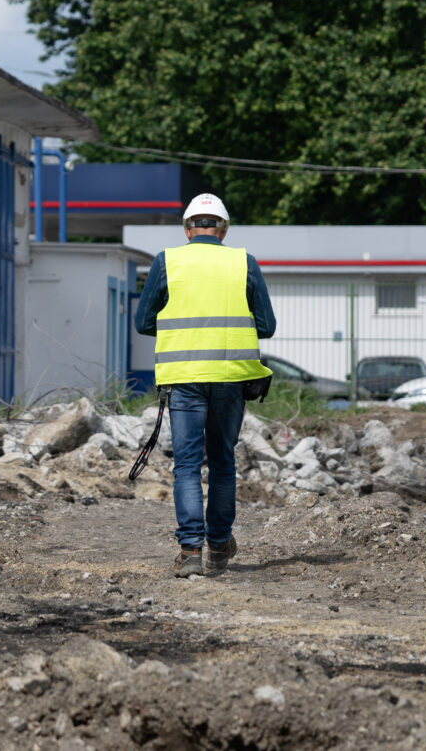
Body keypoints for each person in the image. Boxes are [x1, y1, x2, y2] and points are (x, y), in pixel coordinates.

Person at [133, 192, 276, 577]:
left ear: (187, 229)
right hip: (230, 379)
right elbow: (267, 326)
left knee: (187, 466)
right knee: (223, 463)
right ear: (223, 229)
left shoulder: (168, 261)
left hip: (184, 381)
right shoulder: (243, 262)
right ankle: (218, 542)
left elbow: (143, 322)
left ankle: (191, 551)